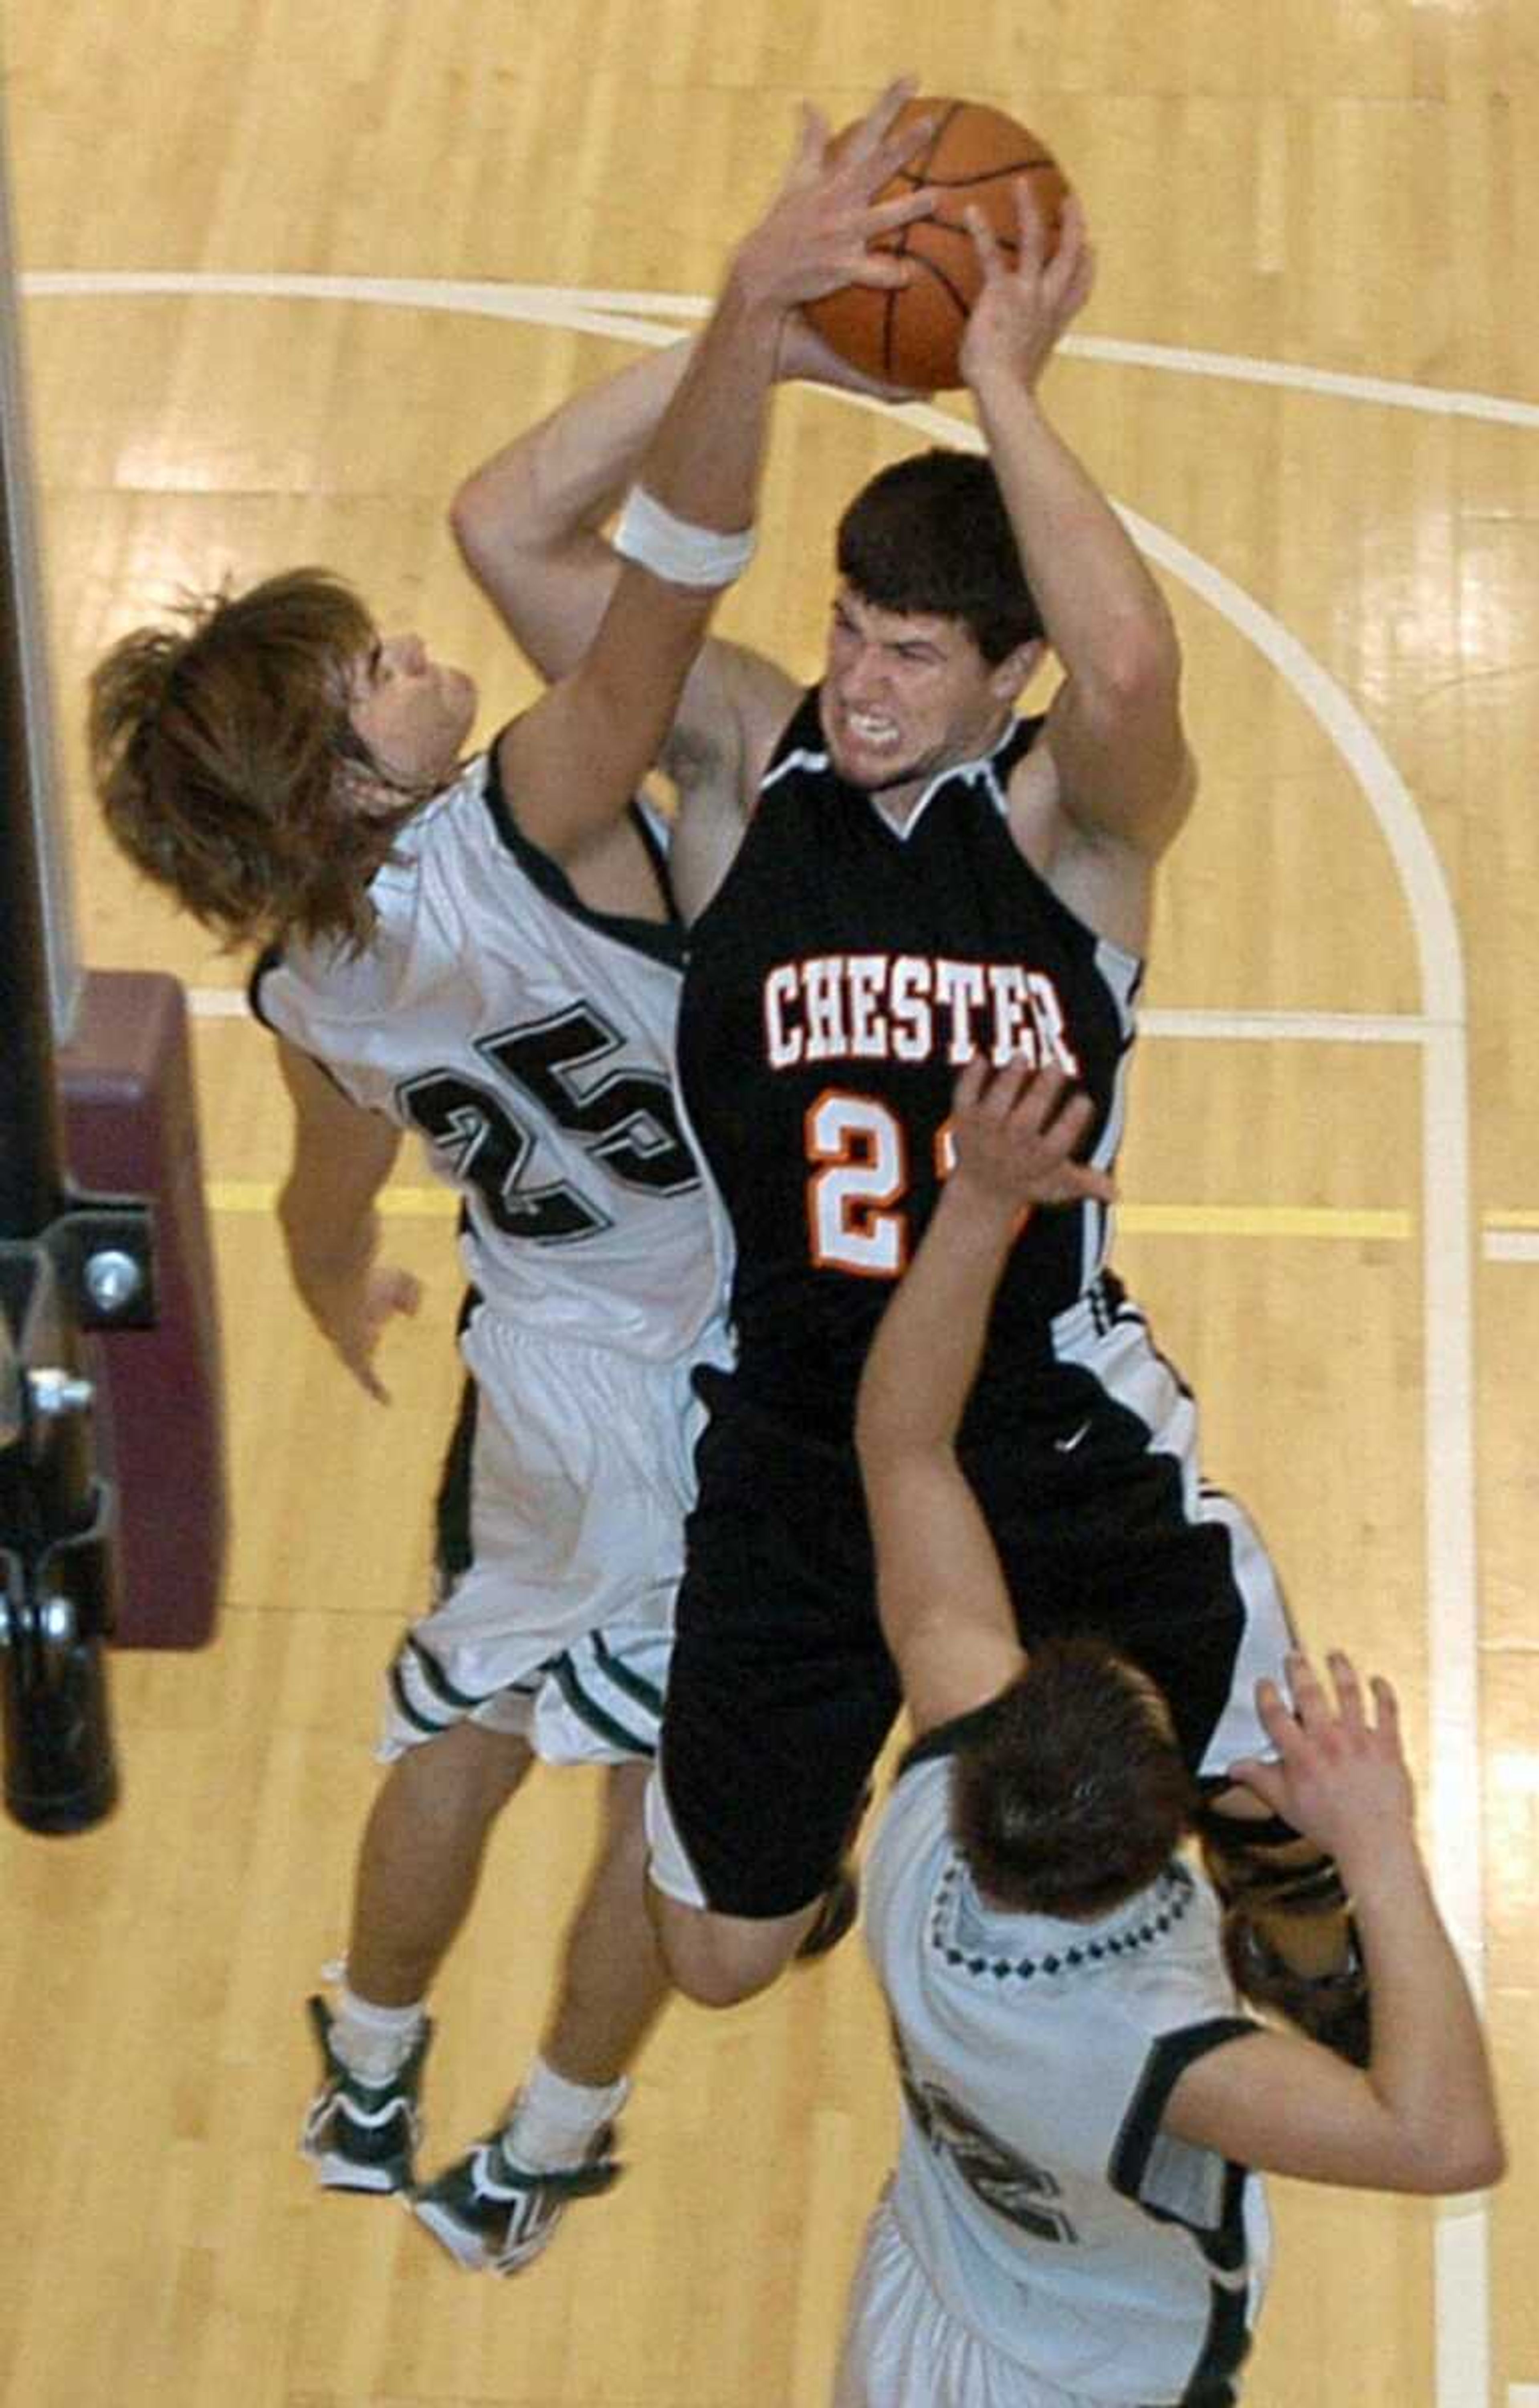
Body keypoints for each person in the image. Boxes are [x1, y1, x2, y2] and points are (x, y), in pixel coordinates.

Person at [85, 83, 941, 2276]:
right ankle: (541, 2149)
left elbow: (318, 1206)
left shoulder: (315, 979)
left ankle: (365, 2073)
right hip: (703, 1372)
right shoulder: (547, 807)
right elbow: (663, 575)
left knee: (465, 1705)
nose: (415, 652)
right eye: (378, 671)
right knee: (660, 1782)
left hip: (537, 1363)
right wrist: (751, 318)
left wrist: (324, 1300)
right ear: (361, 770)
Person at [450, 176, 1370, 2035]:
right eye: (854, 628)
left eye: (917, 652)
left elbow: (1130, 665)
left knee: (1280, 1772)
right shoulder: (736, 759)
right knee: (713, 1959)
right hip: (794, 1420)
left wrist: (1004, 383)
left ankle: (1258, 1858)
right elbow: (504, 525)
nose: (864, 683)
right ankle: (889, 1774)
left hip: (1037, 1410)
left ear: (1004, 670)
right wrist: (754, 332)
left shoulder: (1068, 832)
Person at [831, 1052, 1503, 2408]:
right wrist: (1377, 1847)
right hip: (1086, 2379)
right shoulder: (1156, 2058)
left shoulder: (930, 1823)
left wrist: (976, 1208)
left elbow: (901, 1443)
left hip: (927, 2298)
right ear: (1159, 1845)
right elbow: (1445, 2143)